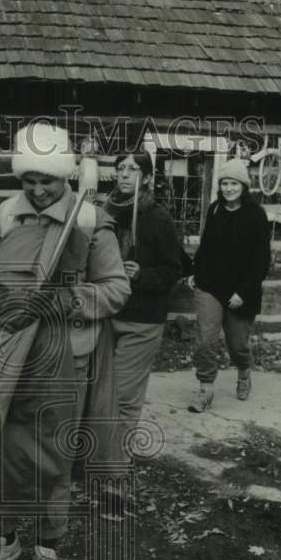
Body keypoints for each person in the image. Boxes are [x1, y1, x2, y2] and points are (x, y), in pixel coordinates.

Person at [0, 122, 130, 560]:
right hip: (4, 352)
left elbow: (117, 289)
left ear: (66, 176)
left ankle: (46, 551)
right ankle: (5, 541)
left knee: (49, 457)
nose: (37, 190)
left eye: (47, 181)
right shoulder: (6, 215)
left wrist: (66, 299)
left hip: (63, 357)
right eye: (28, 179)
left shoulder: (89, 222)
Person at [102, 151, 182, 441]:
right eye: (121, 168)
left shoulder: (158, 218)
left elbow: (175, 270)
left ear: (147, 178)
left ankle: (115, 466)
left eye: (133, 169)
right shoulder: (105, 213)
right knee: (100, 392)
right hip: (106, 314)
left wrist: (142, 275)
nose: (124, 174)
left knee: (123, 396)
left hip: (141, 320)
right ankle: (97, 455)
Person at [186, 157, 271, 412]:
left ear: (243, 186)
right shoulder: (214, 210)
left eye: (233, 183)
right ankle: (205, 389)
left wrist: (243, 292)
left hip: (241, 292)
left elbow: (261, 260)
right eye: (224, 183)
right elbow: (206, 246)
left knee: (238, 344)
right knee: (205, 340)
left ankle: (244, 371)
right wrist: (195, 272)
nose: (228, 188)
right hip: (210, 286)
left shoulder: (256, 215)